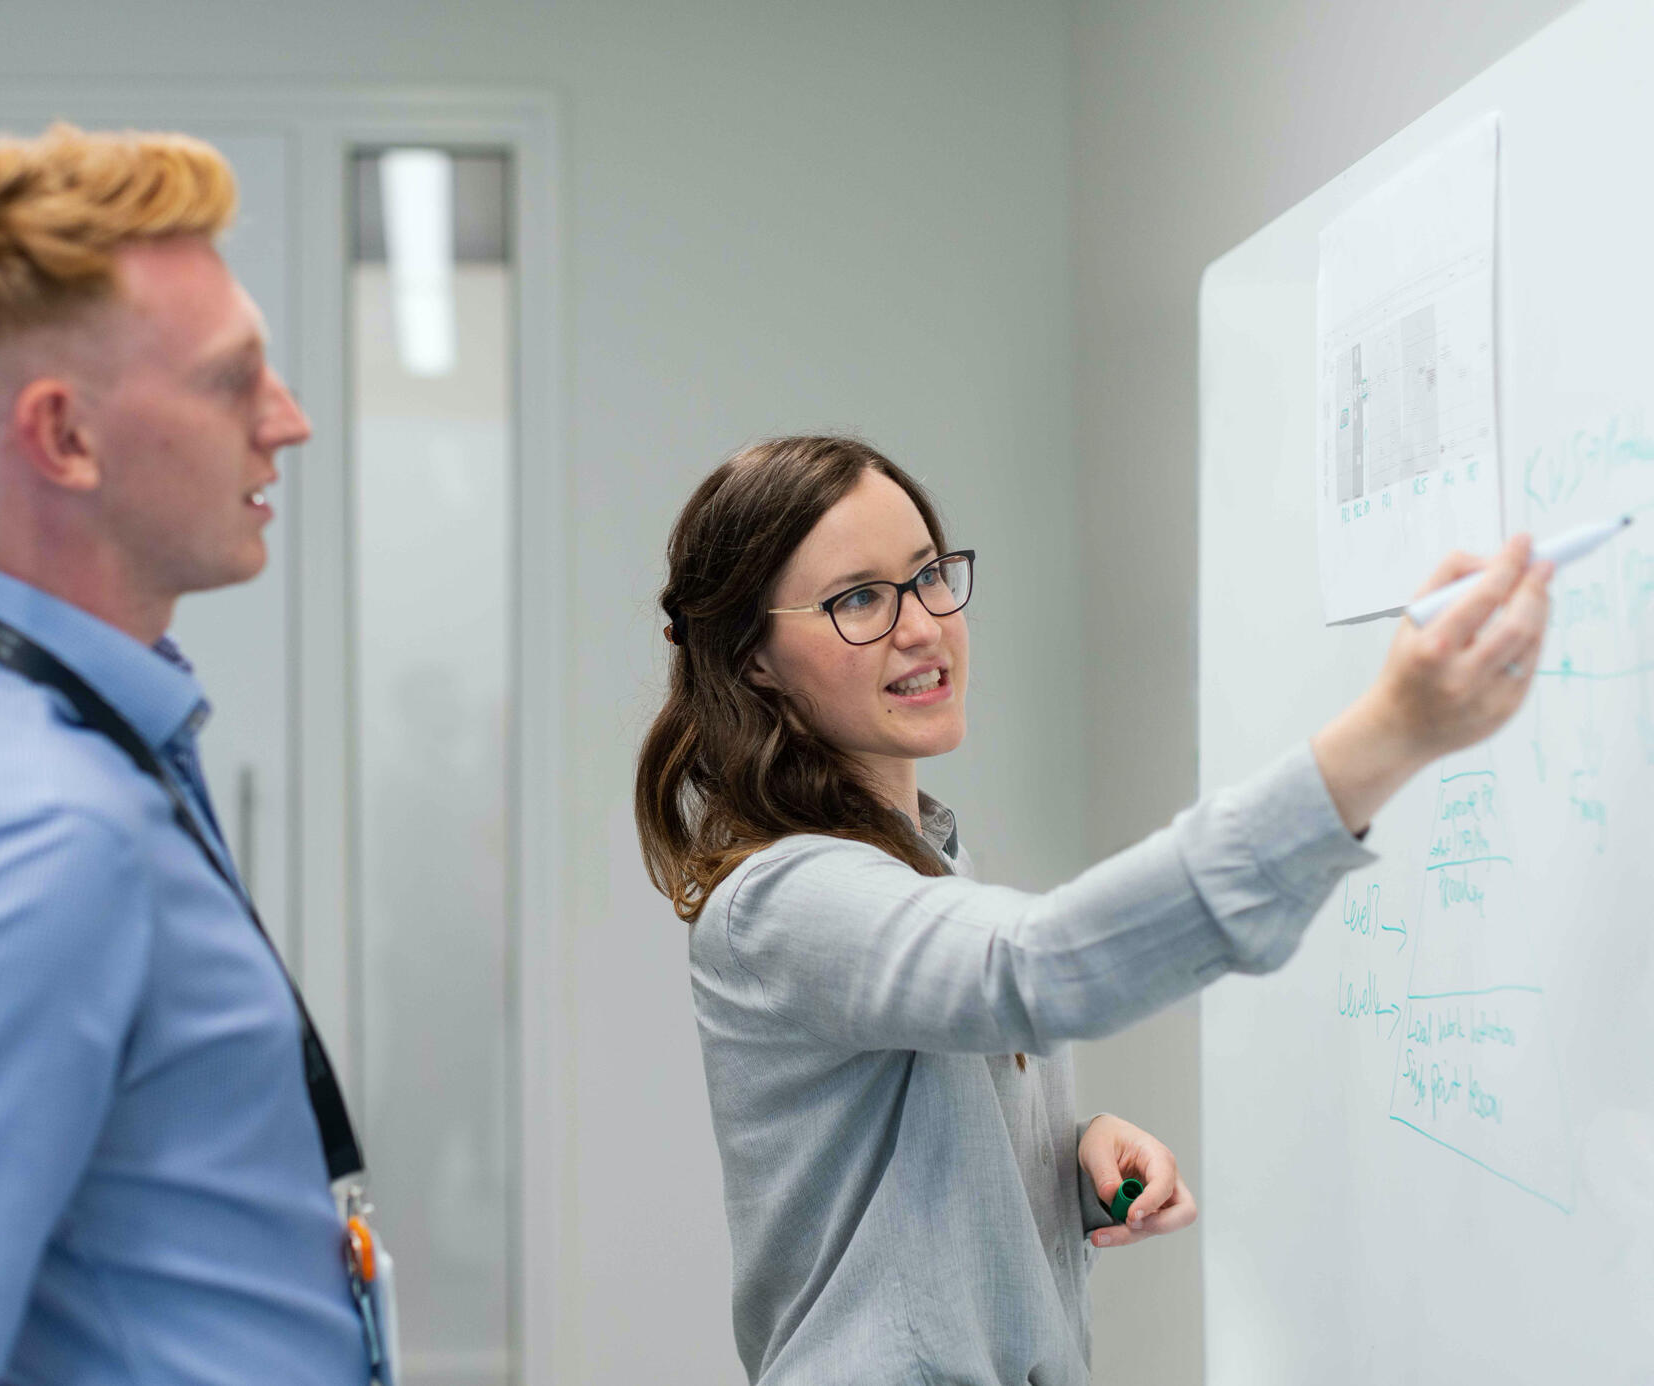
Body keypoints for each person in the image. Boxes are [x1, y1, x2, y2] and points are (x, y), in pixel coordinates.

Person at [633, 435, 1550, 1385]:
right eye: (858, 599)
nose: (922, 627)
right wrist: (1387, 738)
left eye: (929, 576)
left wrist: (1055, 1157)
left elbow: (890, 1185)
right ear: (754, 661)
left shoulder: (922, 867)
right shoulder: (783, 900)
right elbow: (1035, 970)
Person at [0, 126, 383, 1385]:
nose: (291, 422)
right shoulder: (23, 831)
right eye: (235, 378)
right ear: (64, 439)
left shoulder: (49, 730)